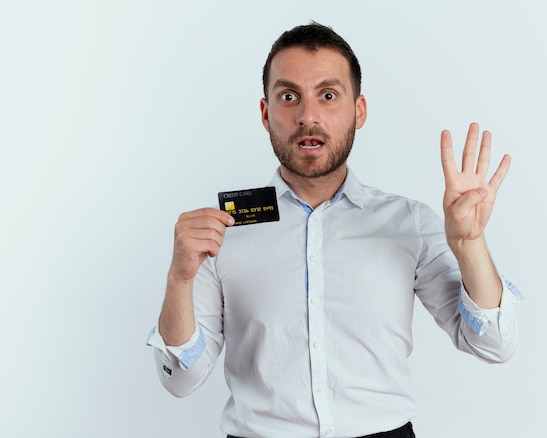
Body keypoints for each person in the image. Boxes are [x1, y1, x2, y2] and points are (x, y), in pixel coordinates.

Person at [147, 22, 523, 438]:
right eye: (289, 96)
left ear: (359, 110)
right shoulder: (221, 232)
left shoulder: (410, 225)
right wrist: (178, 278)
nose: (308, 116)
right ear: (265, 112)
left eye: (328, 96)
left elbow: (493, 345)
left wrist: (469, 246)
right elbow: (179, 380)